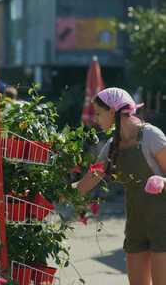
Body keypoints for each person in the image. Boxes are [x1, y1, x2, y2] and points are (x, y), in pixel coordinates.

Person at [72, 87, 166, 285]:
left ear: (113, 112)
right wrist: (58, 192)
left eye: (98, 113)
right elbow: (90, 179)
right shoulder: (111, 146)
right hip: (136, 224)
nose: (96, 119)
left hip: (162, 223)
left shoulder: (151, 136)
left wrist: (162, 182)